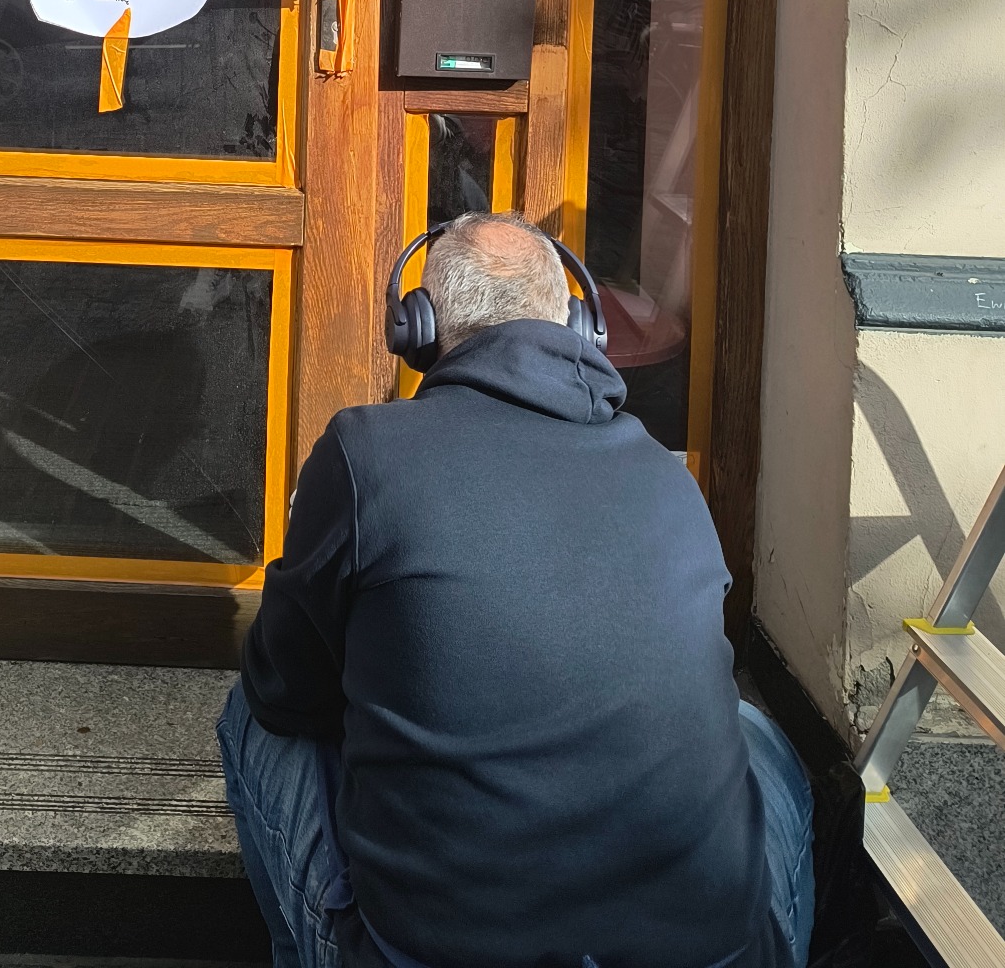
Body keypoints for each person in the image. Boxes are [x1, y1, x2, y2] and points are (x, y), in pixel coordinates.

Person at [218, 212, 814, 968]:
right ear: (578, 323)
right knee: (753, 730)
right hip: (717, 954)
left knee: (248, 712)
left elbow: (284, 689)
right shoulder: (669, 477)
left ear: (419, 330)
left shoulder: (365, 451)